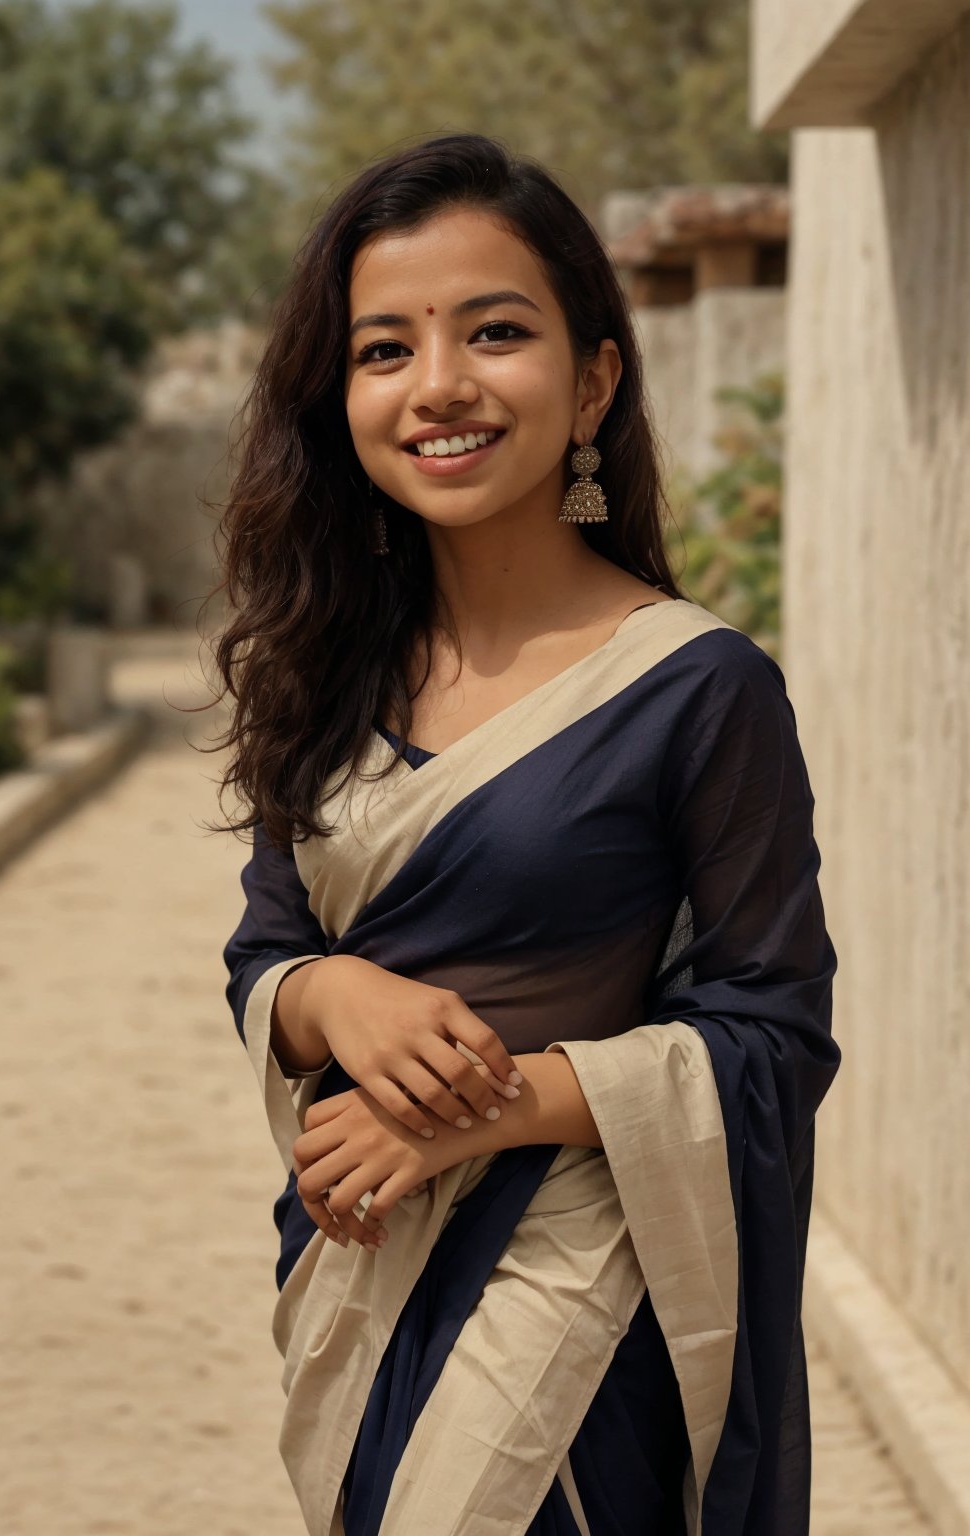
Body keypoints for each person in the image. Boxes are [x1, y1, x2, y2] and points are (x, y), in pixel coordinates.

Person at [214, 131, 840, 1536]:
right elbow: (269, 948)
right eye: (385, 349)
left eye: (495, 332)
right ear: (341, 395)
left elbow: (775, 1035)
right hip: (361, 1281)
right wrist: (336, 993)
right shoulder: (322, 672)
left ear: (593, 379)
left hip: (582, 1293)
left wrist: (473, 1114)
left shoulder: (694, 685)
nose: (438, 385)